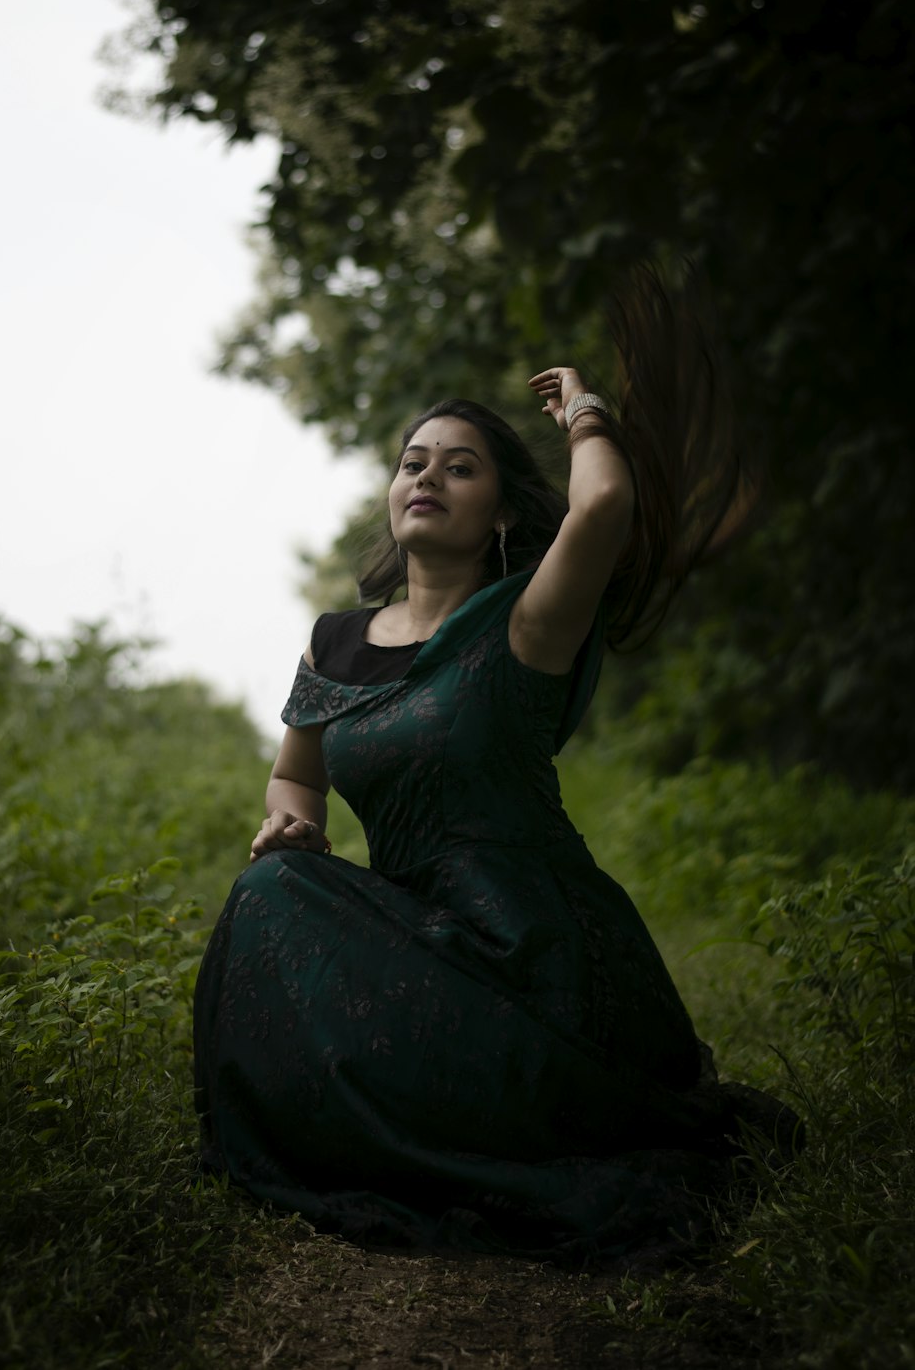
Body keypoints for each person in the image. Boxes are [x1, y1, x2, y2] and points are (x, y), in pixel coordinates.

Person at [193, 277, 792, 1261]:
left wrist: (584, 411)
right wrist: (289, 821)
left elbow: (602, 504)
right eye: (412, 462)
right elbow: (296, 773)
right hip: (416, 939)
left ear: (502, 511)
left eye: (459, 468)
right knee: (271, 888)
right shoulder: (334, 645)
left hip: (538, 955)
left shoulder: (526, 622)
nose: (425, 477)